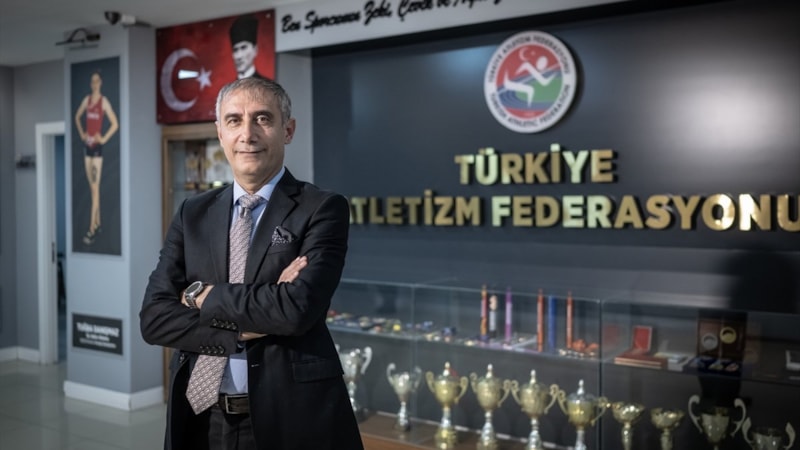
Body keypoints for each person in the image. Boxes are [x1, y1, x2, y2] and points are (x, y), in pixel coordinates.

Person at [140, 77, 364, 450]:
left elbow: (295, 310)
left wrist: (200, 296)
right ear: (220, 132)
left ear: (287, 130)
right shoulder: (192, 212)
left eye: (262, 118)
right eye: (234, 120)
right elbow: (154, 318)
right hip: (200, 417)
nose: (247, 134)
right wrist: (252, 319)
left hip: (289, 417)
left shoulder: (322, 208)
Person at [74, 70, 118, 245]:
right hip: (87, 148)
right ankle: (98, 223)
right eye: (92, 81)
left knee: (95, 189)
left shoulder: (103, 102)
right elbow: (77, 117)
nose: (94, 84)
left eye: (97, 81)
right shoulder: (87, 101)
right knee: (92, 189)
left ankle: (92, 228)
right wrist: (82, 133)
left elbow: (115, 123)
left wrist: (104, 138)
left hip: (97, 150)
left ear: (100, 83)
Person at [229, 14, 267, 80]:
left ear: (255, 50)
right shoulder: (230, 86)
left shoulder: (265, 84)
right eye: (235, 50)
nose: (239, 56)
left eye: (243, 48)